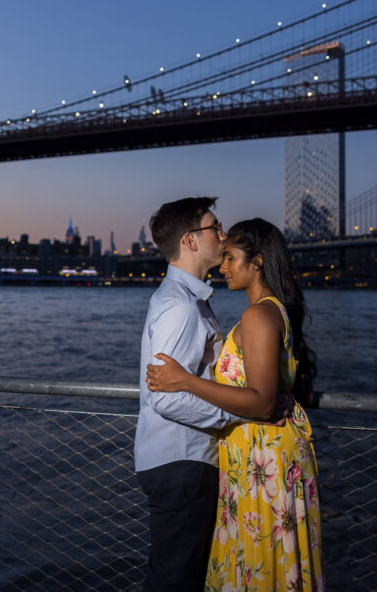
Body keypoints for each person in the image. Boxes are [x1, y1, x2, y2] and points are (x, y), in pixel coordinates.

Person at [146, 218, 324, 591]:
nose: (223, 267)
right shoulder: (273, 311)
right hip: (262, 454)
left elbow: (260, 402)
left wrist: (185, 380)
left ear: (257, 261)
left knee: (257, 569)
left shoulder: (258, 315)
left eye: (230, 258)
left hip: (263, 460)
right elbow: (277, 389)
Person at [134, 196, 242, 592]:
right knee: (176, 581)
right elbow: (166, 395)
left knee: (178, 577)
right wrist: (236, 414)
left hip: (179, 461)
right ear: (191, 241)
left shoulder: (186, 300)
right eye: (215, 227)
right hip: (184, 461)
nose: (223, 234)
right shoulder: (180, 307)